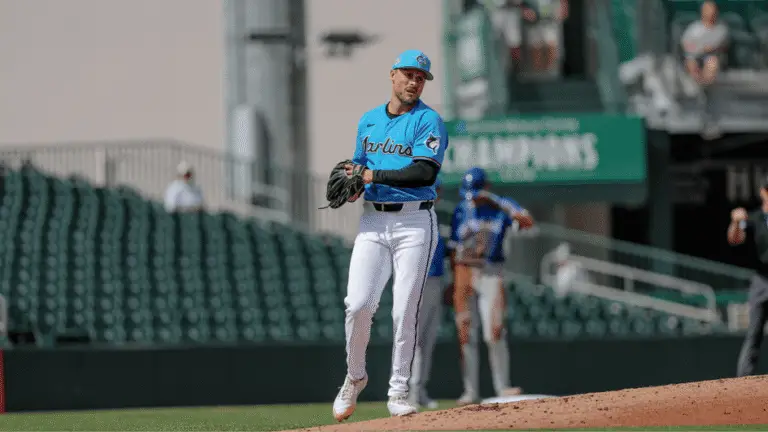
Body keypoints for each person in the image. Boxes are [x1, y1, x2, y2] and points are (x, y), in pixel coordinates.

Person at [331, 49, 448, 422]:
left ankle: (398, 391)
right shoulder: (368, 121)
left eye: (421, 77)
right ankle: (354, 376)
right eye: (409, 74)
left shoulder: (429, 120)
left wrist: (371, 178)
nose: (414, 82)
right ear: (393, 75)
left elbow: (423, 174)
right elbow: (358, 170)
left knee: (403, 310)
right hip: (373, 222)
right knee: (358, 304)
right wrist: (352, 185)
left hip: (415, 222)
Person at [449, 167, 534, 406]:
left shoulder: (500, 207)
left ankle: (502, 386)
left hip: (491, 271)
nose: (473, 197)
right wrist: (454, 282)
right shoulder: (462, 209)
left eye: (476, 192)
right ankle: (470, 390)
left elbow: (527, 222)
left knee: (494, 331)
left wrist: (497, 201)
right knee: (466, 332)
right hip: (465, 271)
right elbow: (453, 247)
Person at [408, 177, 447, 410]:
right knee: (416, 341)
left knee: (428, 340)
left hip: (437, 281)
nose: (437, 193)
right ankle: (410, 391)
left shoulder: (437, 217)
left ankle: (420, 391)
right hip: (418, 283)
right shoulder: (414, 215)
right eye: (434, 189)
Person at [728, 177, 768, 377]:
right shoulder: (753, 219)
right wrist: (736, 222)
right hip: (762, 280)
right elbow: (735, 239)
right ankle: (744, 383)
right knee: (754, 333)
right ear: (763, 193)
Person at [681, 1, 728, 87]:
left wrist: (697, 47)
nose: (710, 12)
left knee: (712, 63)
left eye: (712, 10)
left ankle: (706, 88)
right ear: (702, 11)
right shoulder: (694, 28)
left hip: (711, 56)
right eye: (707, 10)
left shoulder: (721, 29)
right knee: (691, 63)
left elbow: (712, 47)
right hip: (693, 56)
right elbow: (686, 44)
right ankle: (696, 88)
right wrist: (697, 49)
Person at [521, 0, 568, 77]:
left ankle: (551, 74)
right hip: (533, 22)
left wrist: (564, 7)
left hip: (551, 21)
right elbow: (522, 5)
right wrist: (525, 10)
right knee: (536, 48)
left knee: (551, 46)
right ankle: (538, 76)